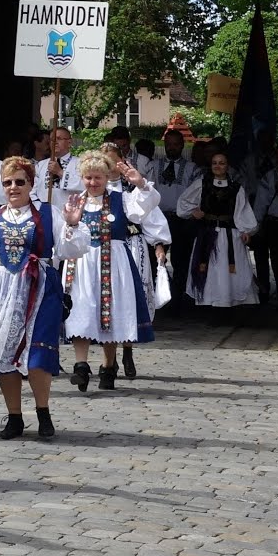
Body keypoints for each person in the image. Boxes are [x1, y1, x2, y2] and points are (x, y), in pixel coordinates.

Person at [0, 156, 89, 438]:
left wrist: (73, 224)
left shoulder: (49, 214)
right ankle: (14, 416)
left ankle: (43, 412)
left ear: (31, 183)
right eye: (7, 182)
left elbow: (70, 250)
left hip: (39, 291)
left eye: (19, 182)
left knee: (38, 354)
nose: (13, 187)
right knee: (5, 355)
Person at [61, 150, 162, 392]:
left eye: (97, 177)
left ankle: (108, 366)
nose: (92, 183)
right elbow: (64, 243)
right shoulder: (74, 202)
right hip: (82, 263)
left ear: (107, 177)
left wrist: (140, 183)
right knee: (81, 310)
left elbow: (147, 205)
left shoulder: (121, 199)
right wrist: (71, 223)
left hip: (113, 262)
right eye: (88, 178)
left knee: (111, 311)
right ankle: (81, 366)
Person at [102, 142, 169, 379]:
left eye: (113, 161)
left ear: (122, 161)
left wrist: (158, 244)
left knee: (130, 296)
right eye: (105, 161)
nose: (109, 167)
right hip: (106, 248)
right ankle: (108, 358)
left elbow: (150, 214)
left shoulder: (131, 188)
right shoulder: (93, 187)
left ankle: (127, 350)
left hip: (133, 245)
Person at [177, 151, 259, 311]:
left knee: (228, 270)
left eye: (221, 163)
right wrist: (193, 211)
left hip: (230, 236)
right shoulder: (202, 184)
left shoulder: (236, 188)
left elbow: (242, 211)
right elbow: (183, 202)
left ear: (227, 166)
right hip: (207, 235)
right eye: (215, 163)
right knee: (210, 269)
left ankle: (228, 302)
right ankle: (212, 304)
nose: (218, 166)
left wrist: (245, 230)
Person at [146, 129, 200, 317]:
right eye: (168, 144)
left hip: (181, 220)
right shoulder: (153, 165)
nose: (172, 148)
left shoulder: (192, 168)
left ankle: (178, 300)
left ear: (182, 145)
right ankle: (157, 298)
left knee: (181, 260)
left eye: (176, 144)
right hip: (158, 218)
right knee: (155, 259)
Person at [252, 141, 278, 308]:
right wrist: (256, 225)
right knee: (275, 262)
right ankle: (272, 294)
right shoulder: (270, 177)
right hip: (274, 224)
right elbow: (261, 202)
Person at [32, 127, 82, 210]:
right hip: (44, 212)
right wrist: (38, 207)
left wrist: (60, 172)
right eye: (52, 140)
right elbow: (32, 190)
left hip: (70, 212)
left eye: (59, 139)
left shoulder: (80, 163)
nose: (55, 142)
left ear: (69, 142)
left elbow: (83, 185)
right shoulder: (41, 165)